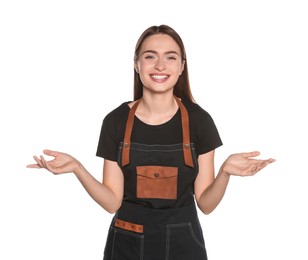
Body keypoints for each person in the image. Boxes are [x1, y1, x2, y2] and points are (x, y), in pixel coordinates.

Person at [27, 24, 275, 260]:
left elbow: (206, 204)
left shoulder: (200, 121)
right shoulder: (116, 121)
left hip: (184, 244)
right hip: (126, 242)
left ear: (181, 66)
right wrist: (77, 169)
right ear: (136, 64)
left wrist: (225, 172)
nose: (160, 65)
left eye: (170, 57)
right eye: (149, 56)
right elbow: (112, 202)